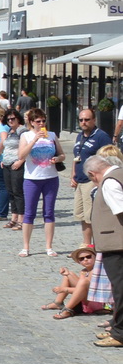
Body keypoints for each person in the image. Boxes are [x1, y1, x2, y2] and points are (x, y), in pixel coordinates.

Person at [15, 108, 63, 257]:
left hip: (50, 177)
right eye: (38, 121)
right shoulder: (26, 135)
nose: (41, 124)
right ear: (31, 122)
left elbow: (62, 154)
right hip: (32, 178)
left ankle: (49, 246)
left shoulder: (52, 135)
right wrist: (35, 139)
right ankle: (26, 247)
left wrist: (57, 159)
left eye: (43, 121)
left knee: (49, 212)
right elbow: (21, 155)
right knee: (29, 212)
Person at [88, 151, 123, 349]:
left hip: (116, 243)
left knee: (120, 290)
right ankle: (117, 328)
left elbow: (120, 209)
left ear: (94, 174)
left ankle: (119, 334)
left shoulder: (109, 182)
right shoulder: (120, 173)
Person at [73, 108, 113, 245]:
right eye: (81, 120)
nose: (83, 122)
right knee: (82, 216)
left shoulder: (101, 136)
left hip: (92, 181)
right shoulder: (80, 136)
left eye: (87, 119)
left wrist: (99, 181)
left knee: (92, 216)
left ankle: (97, 246)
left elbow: (110, 159)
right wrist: (74, 174)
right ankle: (86, 245)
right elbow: (76, 157)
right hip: (80, 181)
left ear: (94, 120)